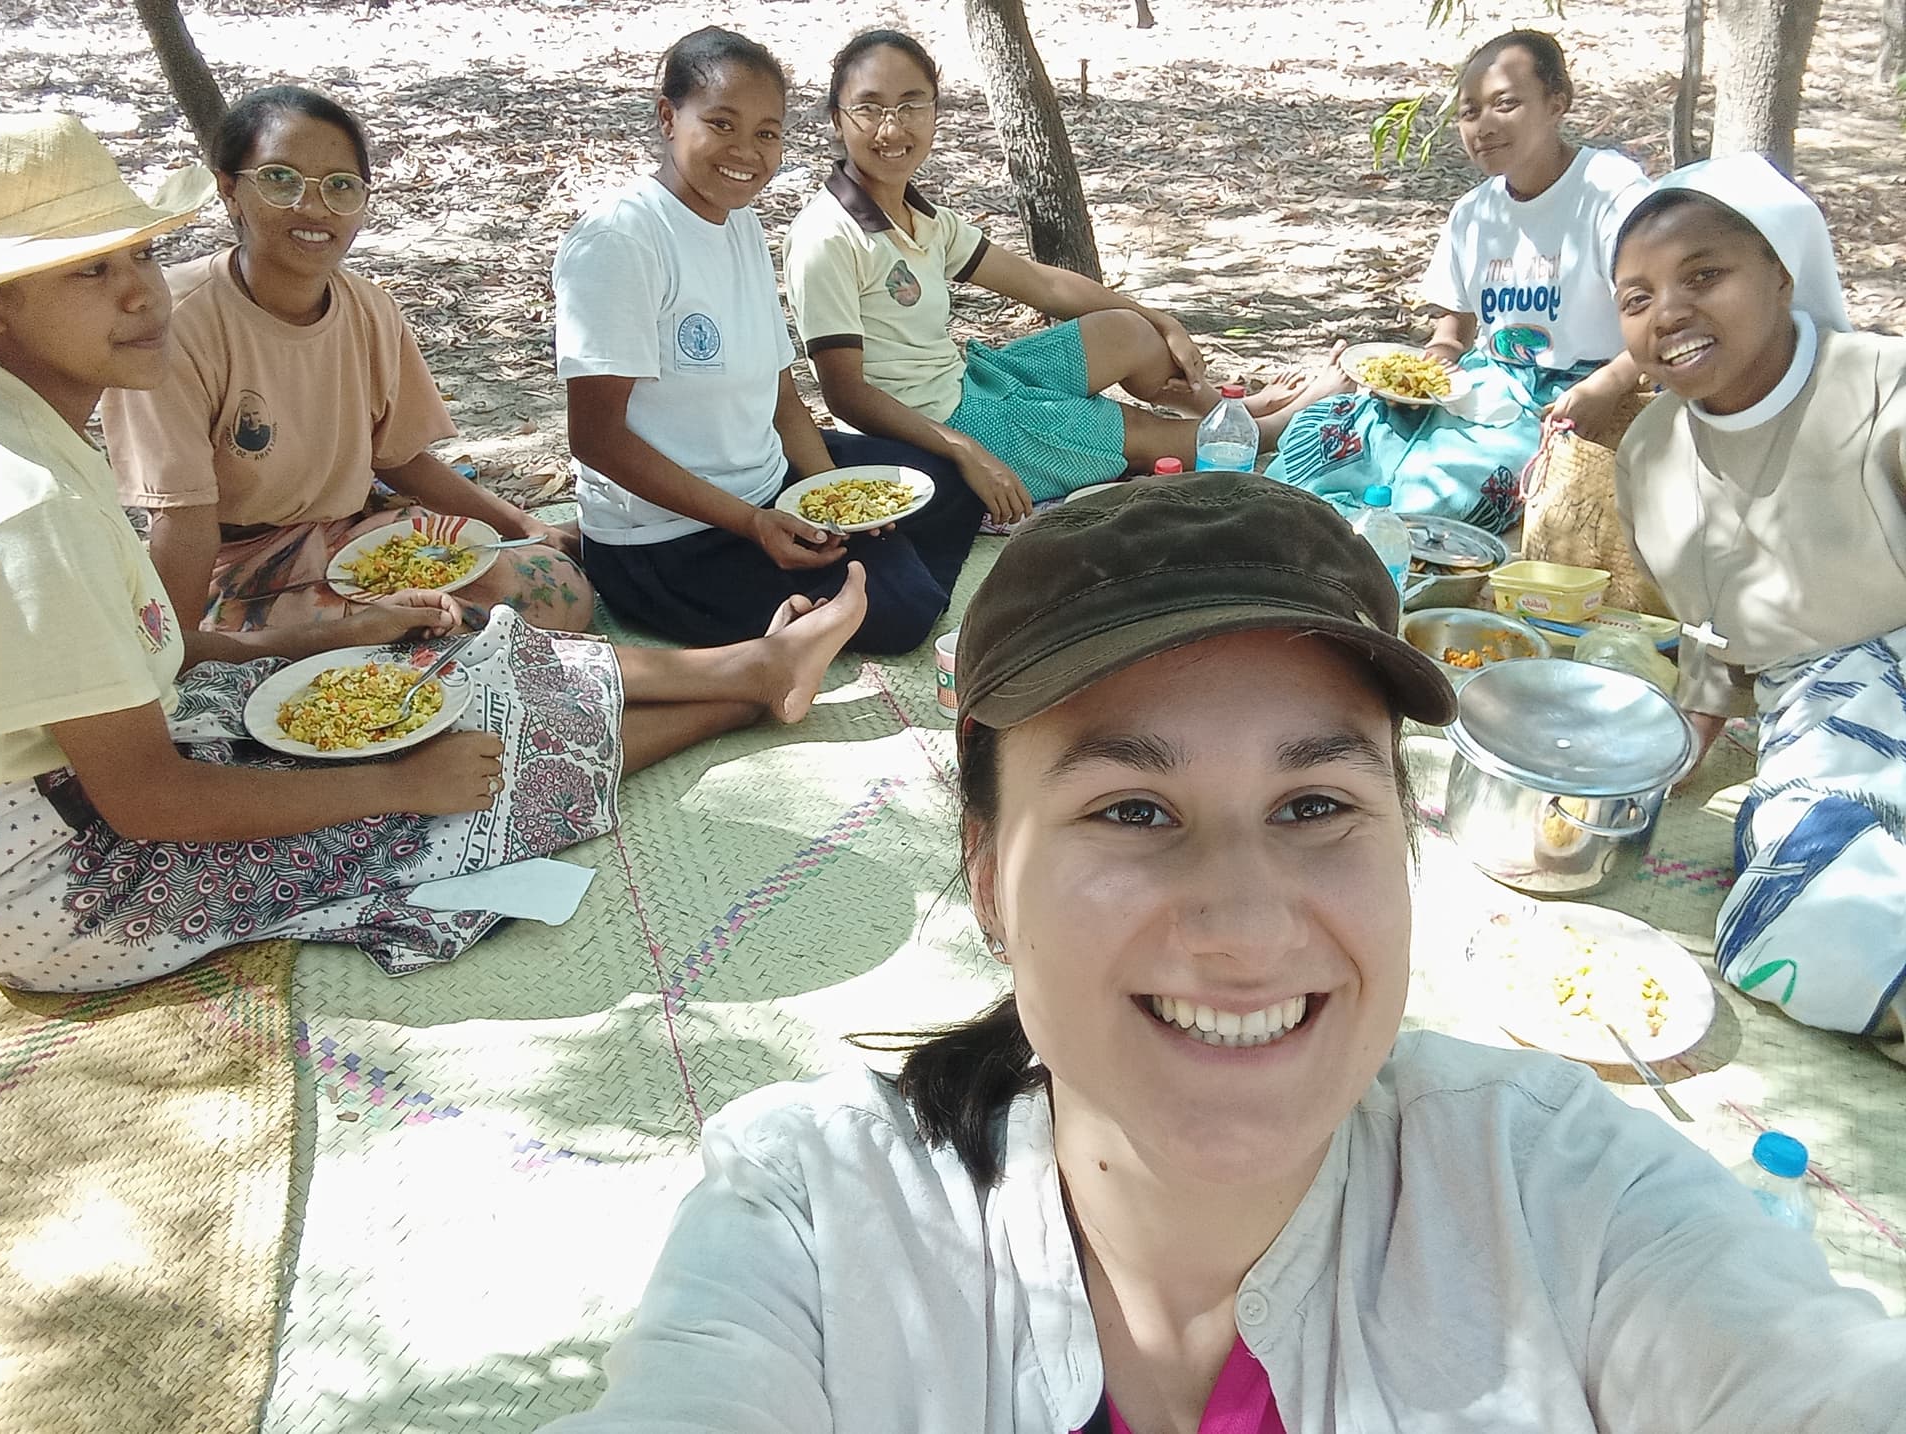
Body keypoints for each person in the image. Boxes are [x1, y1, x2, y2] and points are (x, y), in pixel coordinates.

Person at [542, 473, 1906, 1433]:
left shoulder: (1563, 1193)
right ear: (987, 876)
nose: (1248, 924)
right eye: (1133, 810)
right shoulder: (816, 1220)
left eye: (1316, 806)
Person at [0, 112, 870, 992]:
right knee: (449, 791)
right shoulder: (29, 508)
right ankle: (745, 695)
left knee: (424, 671)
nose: (141, 292)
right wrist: (401, 787)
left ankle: (749, 669)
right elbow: (148, 800)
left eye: (140, 254)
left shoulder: (37, 437)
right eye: (89, 270)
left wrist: (316, 640)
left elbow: (161, 658)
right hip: (71, 881)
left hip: (115, 760)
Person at [100, 85, 593, 635]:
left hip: (360, 536)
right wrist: (175, 651)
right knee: (343, 651)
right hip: (244, 563)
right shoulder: (176, 326)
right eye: (281, 180)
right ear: (229, 190)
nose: (313, 208)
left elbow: (399, 458)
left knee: (557, 588)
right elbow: (183, 520)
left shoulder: (367, 308)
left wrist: (521, 523)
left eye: (340, 186)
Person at [555, 27, 985, 656]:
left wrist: (834, 496)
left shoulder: (741, 224)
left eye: (767, 133)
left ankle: (867, 563)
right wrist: (754, 523)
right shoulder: (620, 242)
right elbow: (595, 438)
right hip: (670, 539)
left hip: (767, 482)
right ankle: (864, 583)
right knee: (906, 610)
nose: (747, 152)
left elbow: (781, 395)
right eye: (722, 124)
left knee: (948, 480)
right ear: (669, 117)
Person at [783, 30, 1340, 513]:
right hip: (934, 430)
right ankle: (1265, 433)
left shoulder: (922, 217)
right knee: (1138, 434)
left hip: (967, 382)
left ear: (935, 110)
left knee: (1127, 330)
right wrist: (963, 449)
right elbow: (845, 396)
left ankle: (1220, 410)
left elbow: (1041, 282)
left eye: (911, 105)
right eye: (870, 107)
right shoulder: (827, 238)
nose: (892, 128)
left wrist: (1160, 317)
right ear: (837, 117)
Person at [1612, 152, 1906, 1060]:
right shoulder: (1650, 453)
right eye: (1637, 297)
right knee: (1791, 902)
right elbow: (1710, 634)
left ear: (1782, 274)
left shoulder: (1883, 391)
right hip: (1819, 712)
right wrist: (1677, 741)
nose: (1671, 314)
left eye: (1705, 275)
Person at [1268, 30, 1649, 532]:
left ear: (1558, 102)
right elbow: (1452, 336)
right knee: (1339, 430)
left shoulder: (1609, 191)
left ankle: (1383, 542)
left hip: (1566, 397)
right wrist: (1420, 375)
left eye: (1505, 104)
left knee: (1443, 484)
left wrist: (1611, 383)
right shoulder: (1474, 213)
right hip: (1485, 385)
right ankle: (1309, 529)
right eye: (1469, 113)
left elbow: (1661, 316)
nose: (1483, 126)